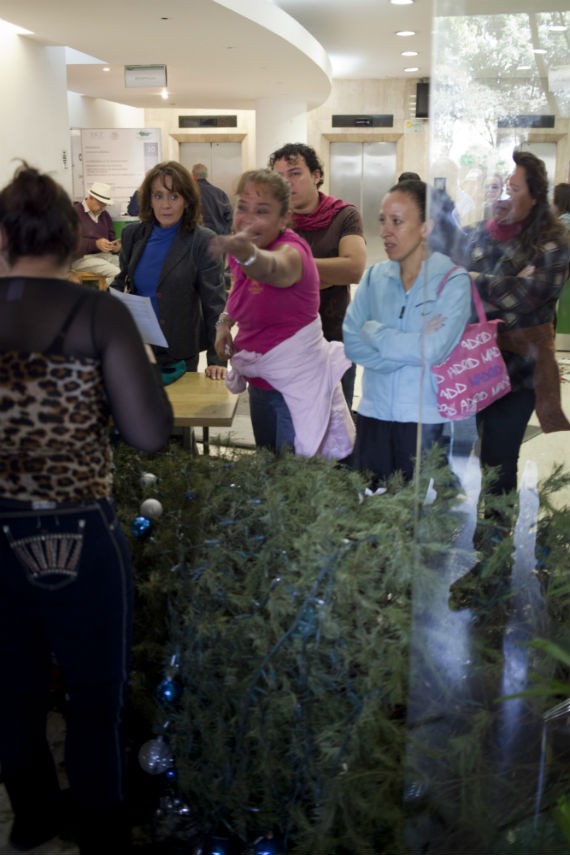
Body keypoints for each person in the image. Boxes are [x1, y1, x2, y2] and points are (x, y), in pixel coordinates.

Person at [0, 163, 173, 854]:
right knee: (93, 693)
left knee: (10, 690)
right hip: (80, 532)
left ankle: (33, 815)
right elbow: (150, 433)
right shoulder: (96, 312)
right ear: (72, 239)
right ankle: (102, 830)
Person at [460, 150, 570, 549]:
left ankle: (493, 543)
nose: (503, 194)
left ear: (535, 195)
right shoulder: (472, 234)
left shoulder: (554, 241)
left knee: (500, 458)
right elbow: (451, 290)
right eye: (499, 185)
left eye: (513, 186)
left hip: (521, 367)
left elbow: (531, 294)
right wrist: (503, 284)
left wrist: (475, 281)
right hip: (469, 363)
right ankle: (465, 534)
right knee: (464, 456)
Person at [210, 169, 355, 459]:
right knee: (268, 468)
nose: (248, 218)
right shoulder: (245, 250)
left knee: (293, 483)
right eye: (243, 206)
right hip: (261, 385)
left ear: (284, 218)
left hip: (294, 392)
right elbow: (244, 292)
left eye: (262, 210)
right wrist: (224, 323)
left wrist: (249, 254)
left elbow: (272, 268)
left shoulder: (292, 252)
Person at [342, 179, 471, 484]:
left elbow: (436, 349)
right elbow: (352, 343)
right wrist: (413, 346)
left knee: (422, 518)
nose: (385, 231)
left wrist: (376, 333)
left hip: (426, 420)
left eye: (397, 222)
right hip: (373, 414)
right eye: (383, 221)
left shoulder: (452, 280)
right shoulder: (374, 277)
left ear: (426, 227)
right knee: (372, 512)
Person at [268, 143, 366, 409]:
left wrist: (296, 267)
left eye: (295, 173)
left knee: (335, 434)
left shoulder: (344, 215)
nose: (287, 183)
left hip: (333, 341)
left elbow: (354, 268)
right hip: (281, 344)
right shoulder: (270, 220)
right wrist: (328, 274)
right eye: (280, 177)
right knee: (285, 437)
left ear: (316, 175)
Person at [110, 161, 227, 381]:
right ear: (149, 200)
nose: (166, 205)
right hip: (138, 346)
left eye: (174, 197)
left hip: (179, 352)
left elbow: (215, 304)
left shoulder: (203, 241)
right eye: (158, 196)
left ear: (187, 201)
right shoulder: (132, 235)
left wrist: (218, 360)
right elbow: (122, 281)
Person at [71, 182, 121, 287]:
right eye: (100, 204)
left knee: (128, 268)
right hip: (80, 258)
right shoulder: (74, 213)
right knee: (116, 273)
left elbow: (111, 238)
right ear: (90, 197)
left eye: (105, 205)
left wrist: (115, 248)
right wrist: (95, 244)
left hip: (102, 256)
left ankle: (122, 300)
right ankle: (109, 301)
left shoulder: (105, 215)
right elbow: (70, 243)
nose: (103, 208)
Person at [191, 163, 233, 235]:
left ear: (193, 176)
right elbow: (229, 216)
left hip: (197, 238)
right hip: (219, 236)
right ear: (206, 175)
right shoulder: (220, 193)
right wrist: (225, 233)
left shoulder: (190, 193)